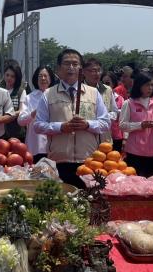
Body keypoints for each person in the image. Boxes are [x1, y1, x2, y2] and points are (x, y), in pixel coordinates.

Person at [34, 48, 110, 188]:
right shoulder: (48, 94)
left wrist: (87, 125)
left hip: (88, 162)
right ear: (58, 69)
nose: (71, 68)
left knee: (88, 203)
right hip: (59, 161)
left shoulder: (93, 93)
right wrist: (61, 127)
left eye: (75, 64)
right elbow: (38, 125)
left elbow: (105, 123)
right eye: (66, 63)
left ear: (81, 69)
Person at [119, 73, 153, 178]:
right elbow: (122, 125)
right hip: (135, 151)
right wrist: (140, 125)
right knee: (135, 181)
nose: (150, 88)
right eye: (147, 85)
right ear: (139, 85)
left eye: (152, 85)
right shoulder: (129, 103)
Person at [18, 65, 57, 162]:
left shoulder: (57, 96)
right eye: (40, 76)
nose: (43, 78)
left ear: (51, 78)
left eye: (46, 76)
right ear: (36, 79)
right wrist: (34, 113)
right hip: (35, 145)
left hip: (54, 146)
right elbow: (20, 121)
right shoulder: (29, 98)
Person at [83, 58, 119, 143]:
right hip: (86, 137)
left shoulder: (107, 89)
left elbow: (115, 112)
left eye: (99, 70)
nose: (97, 74)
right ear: (83, 72)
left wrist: (104, 117)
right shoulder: (79, 90)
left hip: (105, 138)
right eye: (93, 70)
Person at [0, 61, 27, 139]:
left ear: (17, 78)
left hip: (16, 133)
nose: (9, 78)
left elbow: (21, 110)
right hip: (0, 133)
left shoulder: (21, 91)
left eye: (12, 76)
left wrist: (9, 116)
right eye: (7, 75)